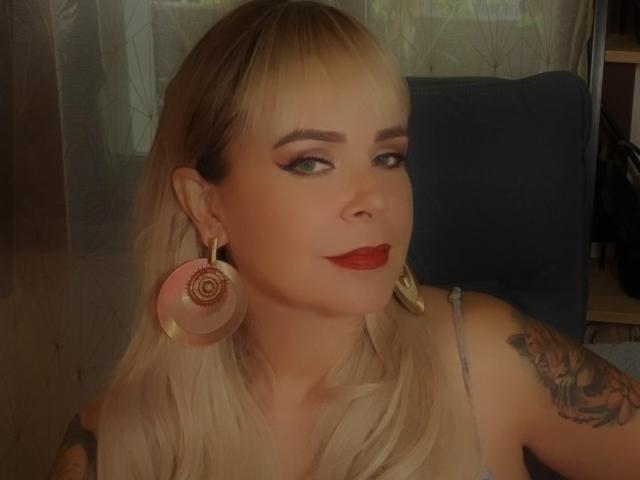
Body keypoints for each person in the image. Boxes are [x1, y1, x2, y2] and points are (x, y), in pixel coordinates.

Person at [48, 1, 640, 479]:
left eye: (388, 156)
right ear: (207, 206)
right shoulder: (116, 443)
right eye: (310, 162)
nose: (374, 199)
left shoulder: (486, 358)